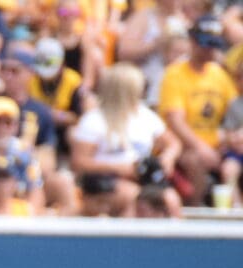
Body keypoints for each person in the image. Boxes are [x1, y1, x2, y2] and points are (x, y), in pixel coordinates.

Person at [69, 63, 181, 219]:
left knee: (170, 199)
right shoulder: (94, 120)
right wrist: (119, 168)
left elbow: (173, 143)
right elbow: (79, 162)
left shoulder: (145, 116)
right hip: (104, 182)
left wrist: (167, 157)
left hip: (142, 179)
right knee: (133, 197)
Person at [159, 19, 236, 201]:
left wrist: (232, 136)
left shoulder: (219, 74)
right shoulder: (175, 74)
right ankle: (196, 210)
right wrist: (201, 147)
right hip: (184, 146)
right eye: (206, 45)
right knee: (195, 160)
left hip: (217, 144)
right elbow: (175, 120)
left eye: (214, 46)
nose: (210, 50)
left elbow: (234, 108)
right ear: (192, 42)